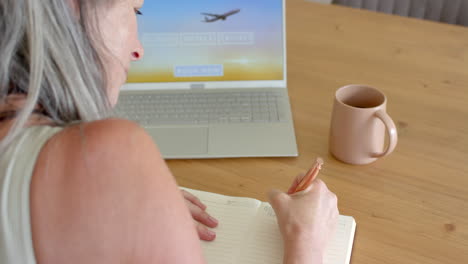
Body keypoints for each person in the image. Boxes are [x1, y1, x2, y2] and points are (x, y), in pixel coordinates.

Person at [0, 0, 339, 263]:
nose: (138, 49)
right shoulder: (104, 155)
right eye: (135, 11)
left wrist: (131, 198)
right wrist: (304, 240)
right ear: (72, 7)